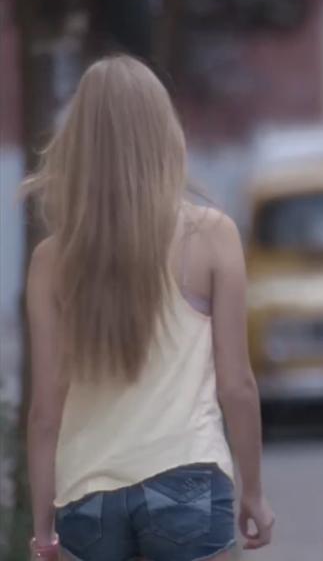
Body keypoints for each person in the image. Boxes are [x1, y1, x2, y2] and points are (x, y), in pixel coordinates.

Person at [23, 55, 274, 561]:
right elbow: (236, 385)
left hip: (87, 497)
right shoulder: (211, 235)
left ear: (80, 144)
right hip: (187, 480)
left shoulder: (51, 261)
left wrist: (43, 530)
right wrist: (253, 491)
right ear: (165, 134)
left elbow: (46, 410)